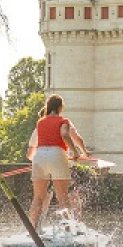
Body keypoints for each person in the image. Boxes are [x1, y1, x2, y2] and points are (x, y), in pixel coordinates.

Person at [26, 94, 88, 229]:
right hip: (57, 155)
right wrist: (79, 152)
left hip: (39, 156)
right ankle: (67, 231)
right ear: (60, 108)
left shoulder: (40, 122)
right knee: (63, 198)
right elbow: (66, 135)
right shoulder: (63, 121)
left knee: (38, 198)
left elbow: (31, 151)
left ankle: (33, 230)